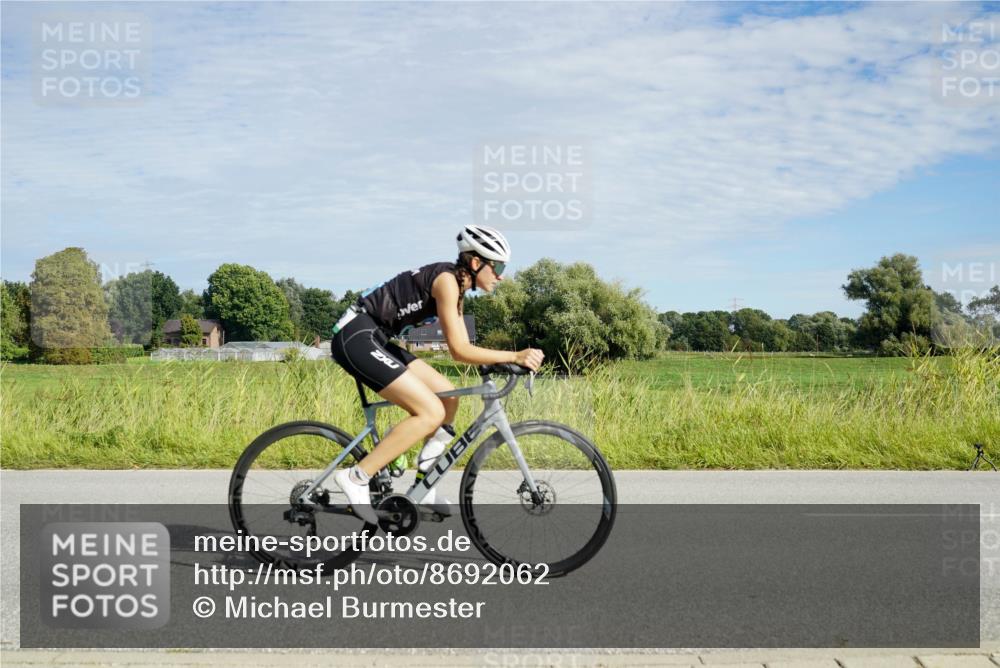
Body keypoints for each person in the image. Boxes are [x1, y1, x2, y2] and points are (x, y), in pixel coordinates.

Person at [330, 225, 544, 523]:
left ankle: (424, 483)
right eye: (498, 267)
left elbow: (461, 347)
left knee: (447, 398)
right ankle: (356, 477)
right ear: (475, 262)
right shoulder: (447, 282)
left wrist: (503, 359)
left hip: (376, 337)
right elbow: (460, 350)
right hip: (355, 336)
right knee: (430, 412)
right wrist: (514, 355)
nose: (501, 276)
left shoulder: (455, 286)